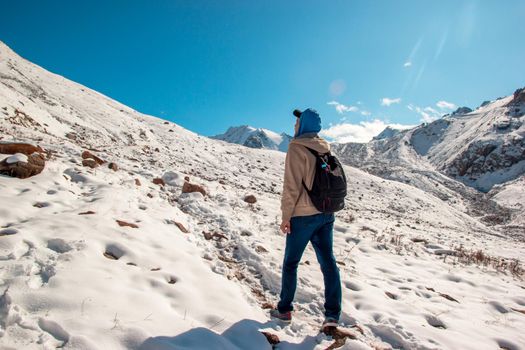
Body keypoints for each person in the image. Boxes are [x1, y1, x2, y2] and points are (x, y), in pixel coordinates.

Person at [270, 108, 342, 330]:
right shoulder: (324, 147)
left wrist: (286, 216)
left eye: (297, 122)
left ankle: (284, 310)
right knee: (328, 263)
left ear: (302, 125)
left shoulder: (296, 147)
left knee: (291, 263)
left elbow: (291, 186)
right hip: (326, 214)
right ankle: (332, 315)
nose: (294, 126)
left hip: (303, 216)